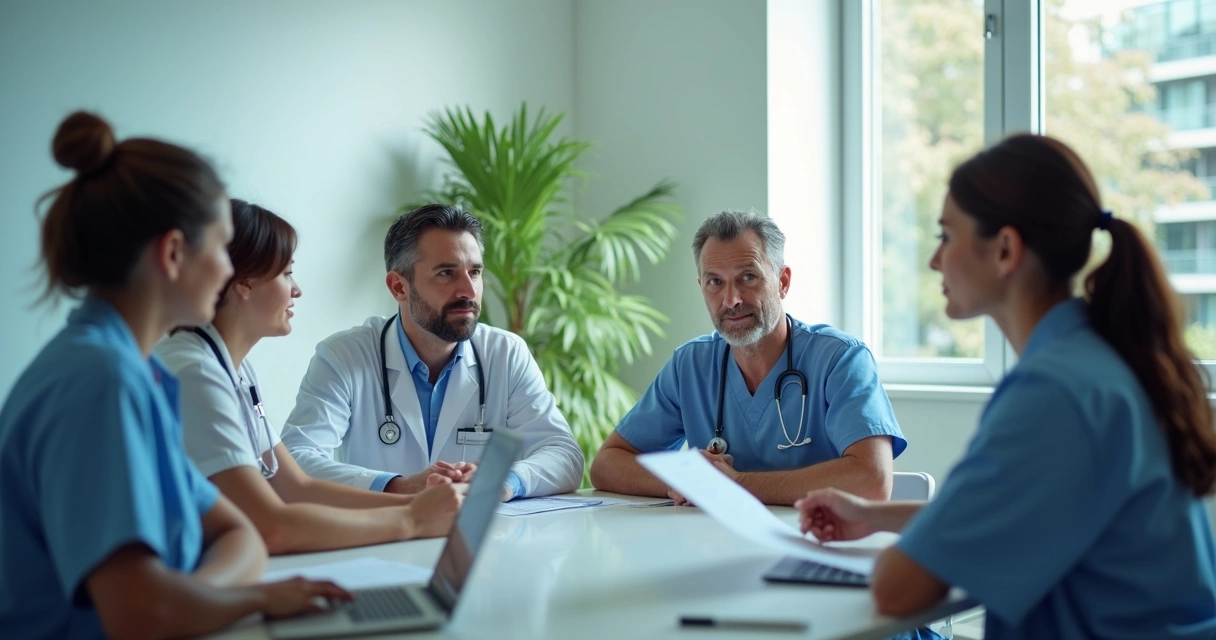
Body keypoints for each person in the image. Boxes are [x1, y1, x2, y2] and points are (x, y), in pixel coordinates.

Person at [796, 134, 1216, 638]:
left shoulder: (1053, 393)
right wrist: (874, 516)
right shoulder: (1100, 358)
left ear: (1005, 250)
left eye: (946, 236)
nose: (935, 261)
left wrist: (895, 544)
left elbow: (897, 589)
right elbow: (1028, 509)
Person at [0, 112, 349, 640]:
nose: (231, 273)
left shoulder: (135, 374)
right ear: (172, 253)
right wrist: (248, 598)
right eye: (220, 248)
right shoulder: (101, 382)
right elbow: (143, 616)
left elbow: (241, 535)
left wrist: (195, 600)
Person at [155, 199, 463, 555]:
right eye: (286, 274)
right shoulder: (194, 372)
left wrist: (426, 507)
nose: (297, 289)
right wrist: (413, 520)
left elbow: (296, 486)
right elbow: (273, 527)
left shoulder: (232, 369)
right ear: (243, 282)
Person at [590, 210, 905, 506]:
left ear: (782, 282)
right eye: (715, 282)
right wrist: (681, 480)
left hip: (815, 546)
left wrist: (737, 483)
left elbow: (873, 480)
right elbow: (606, 465)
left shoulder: (841, 360)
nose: (731, 300)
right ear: (701, 287)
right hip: (712, 548)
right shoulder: (691, 365)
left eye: (748, 277)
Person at [281, 204, 583, 501]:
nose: (468, 290)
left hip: (476, 544)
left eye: (475, 272)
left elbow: (563, 455)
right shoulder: (344, 356)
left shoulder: (505, 353)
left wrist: (502, 482)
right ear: (399, 287)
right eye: (446, 273)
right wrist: (400, 488)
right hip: (379, 538)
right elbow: (295, 460)